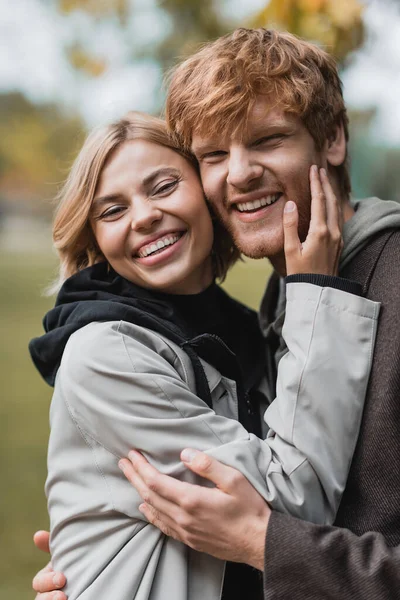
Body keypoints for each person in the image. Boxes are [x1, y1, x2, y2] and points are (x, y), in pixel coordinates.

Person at [33, 27, 400, 600]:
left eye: (268, 140)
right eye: (213, 155)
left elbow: (282, 507)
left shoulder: (318, 299)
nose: (239, 173)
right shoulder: (275, 309)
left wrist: (262, 541)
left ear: (332, 139)